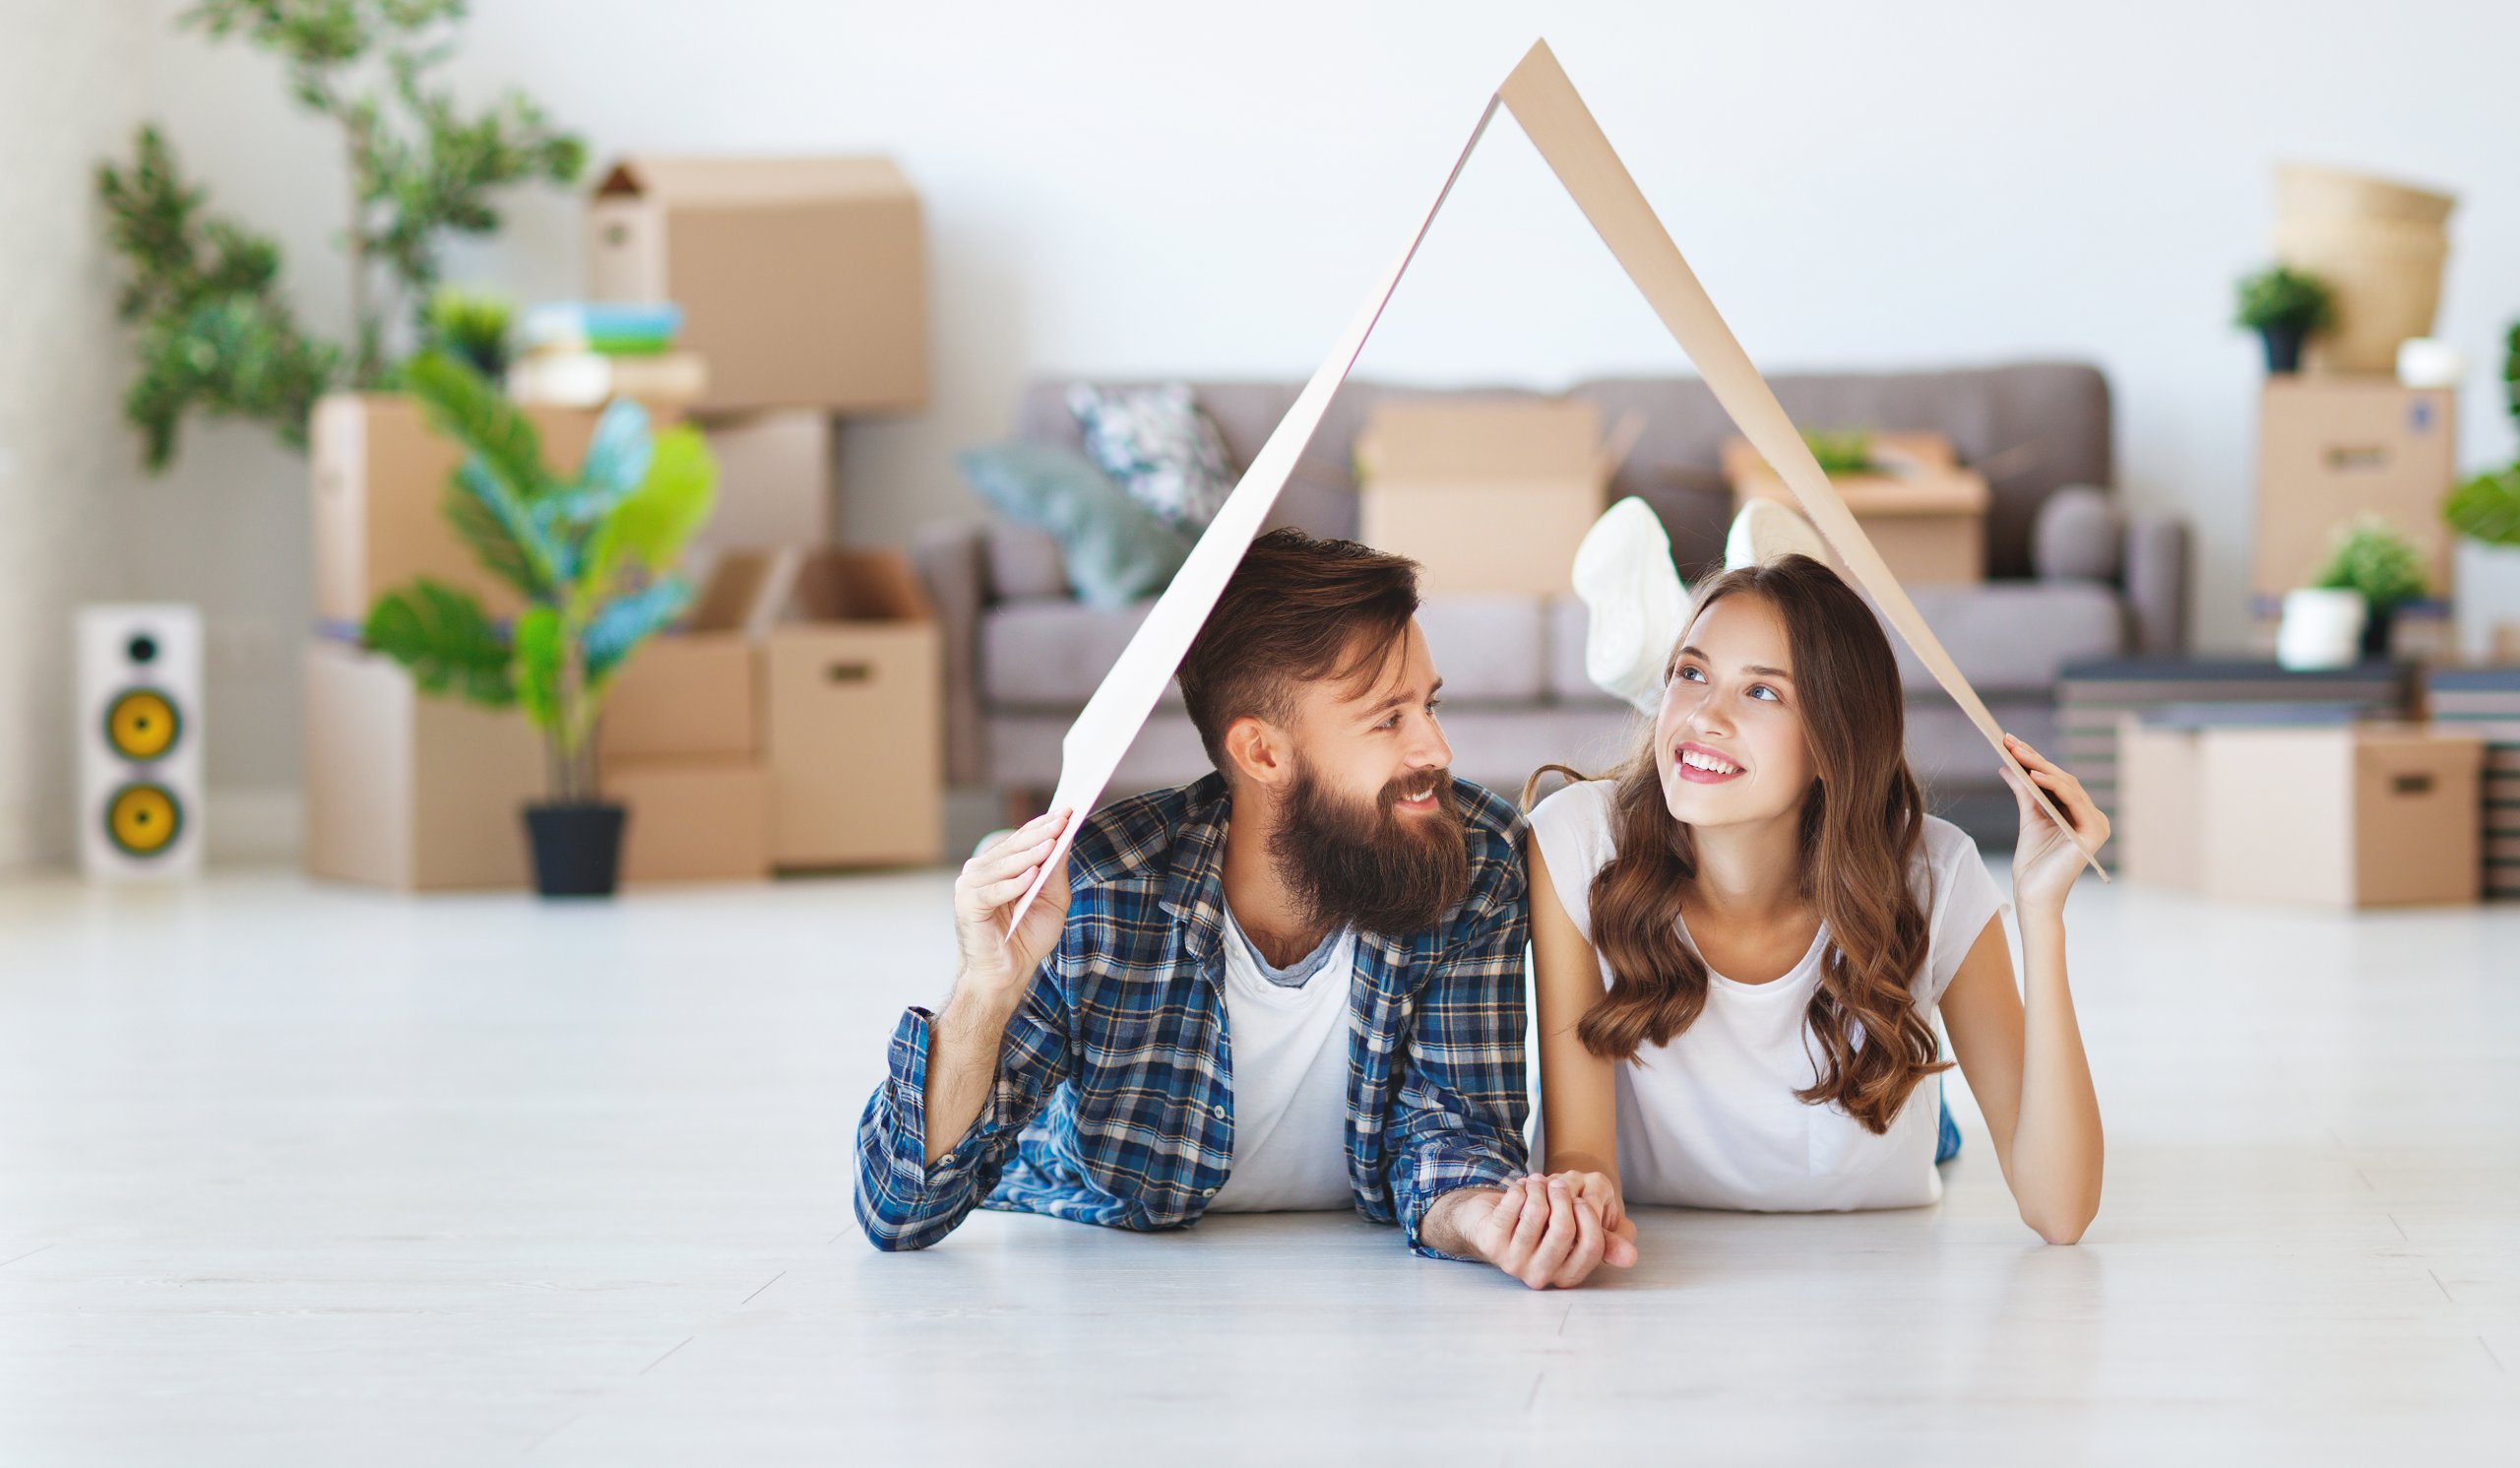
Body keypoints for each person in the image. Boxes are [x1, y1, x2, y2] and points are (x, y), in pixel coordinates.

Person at [857, 529, 1632, 1288]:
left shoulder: (1472, 854)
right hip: (1121, 1249)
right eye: (1388, 718)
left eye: (1427, 705)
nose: (1437, 747)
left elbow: (1451, 1128)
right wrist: (984, 990)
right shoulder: (1102, 890)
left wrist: (1485, 1220)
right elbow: (897, 1210)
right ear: (1262, 753)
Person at [1527, 553, 2106, 1251]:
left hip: (1883, 1078)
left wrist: (2042, 913)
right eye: (1691, 672)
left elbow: (2061, 1211)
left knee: (1919, 1096)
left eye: (1762, 692)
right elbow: (1580, 1156)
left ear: (1835, 740)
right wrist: (1577, 1212)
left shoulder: (1935, 873)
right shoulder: (1581, 840)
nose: (1704, 716)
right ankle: (1764, 569)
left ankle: (1771, 570)